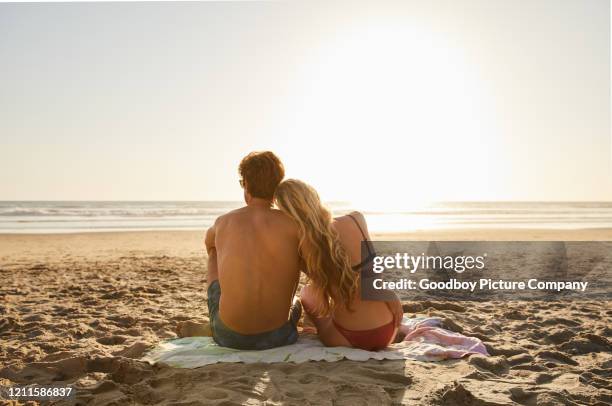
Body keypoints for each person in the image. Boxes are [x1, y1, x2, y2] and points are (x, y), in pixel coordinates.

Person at [274, 179, 403, 351]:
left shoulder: (303, 248)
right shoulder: (356, 219)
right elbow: (372, 274)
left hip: (345, 337)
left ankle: (309, 328)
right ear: (314, 198)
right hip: (387, 329)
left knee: (306, 293)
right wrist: (388, 294)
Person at [200, 151, 302, 350]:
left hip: (229, 337)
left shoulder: (223, 222)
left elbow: (208, 244)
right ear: (278, 185)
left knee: (214, 251)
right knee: (298, 298)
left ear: (246, 183)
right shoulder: (293, 224)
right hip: (279, 336)